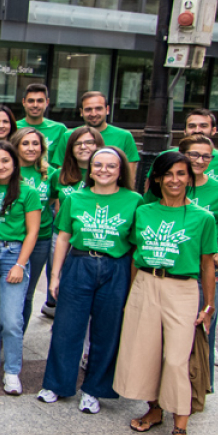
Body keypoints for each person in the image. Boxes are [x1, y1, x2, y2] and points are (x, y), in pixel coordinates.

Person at [114, 152, 218, 435]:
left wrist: (209, 306)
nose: (175, 180)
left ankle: (180, 430)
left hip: (182, 289)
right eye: (168, 174)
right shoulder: (144, 211)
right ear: (157, 178)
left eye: (181, 174)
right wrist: (131, 296)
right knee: (146, 354)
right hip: (146, 284)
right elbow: (135, 256)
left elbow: (208, 264)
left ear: (190, 178)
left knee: (176, 360)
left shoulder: (203, 217)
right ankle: (155, 409)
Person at [39, 146, 140, 414]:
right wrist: (54, 276)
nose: (103, 170)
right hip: (79, 263)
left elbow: (136, 245)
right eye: (98, 165)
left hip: (115, 267)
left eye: (111, 166)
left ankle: (94, 390)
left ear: (121, 171)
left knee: (107, 331)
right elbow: (62, 237)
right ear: (90, 169)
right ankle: (57, 384)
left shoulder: (134, 200)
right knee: (66, 327)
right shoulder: (75, 198)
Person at [147, 135, 218, 387]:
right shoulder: (169, 185)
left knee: (203, 324)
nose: (200, 161)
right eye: (194, 155)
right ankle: (165, 383)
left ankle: (201, 383)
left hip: (208, 264)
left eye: (206, 156)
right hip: (174, 263)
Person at [0, 140, 41, 395]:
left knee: (11, 319)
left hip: (13, 253)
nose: (0, 166)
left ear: (15, 163)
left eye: (5, 161)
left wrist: (20, 264)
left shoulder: (28, 192)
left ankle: (12, 371)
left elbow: (33, 231)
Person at [42, 126, 103, 319]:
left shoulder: (105, 174)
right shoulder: (59, 175)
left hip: (89, 240)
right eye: (78, 143)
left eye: (89, 142)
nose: (83, 147)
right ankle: (62, 318)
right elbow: (50, 199)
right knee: (60, 277)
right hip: (60, 235)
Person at [11, 127, 57, 329]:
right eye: (26, 143)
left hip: (41, 239)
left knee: (27, 293)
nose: (31, 148)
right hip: (13, 238)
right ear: (16, 146)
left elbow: (55, 201)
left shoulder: (51, 173)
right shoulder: (8, 168)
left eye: (35, 143)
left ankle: (17, 340)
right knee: (9, 288)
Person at [55, 92, 140, 182]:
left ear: (107, 109)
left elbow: (129, 177)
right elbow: (62, 172)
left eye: (98, 108)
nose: (93, 113)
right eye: (88, 110)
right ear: (81, 112)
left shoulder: (124, 136)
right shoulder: (68, 136)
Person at [175, 108, 218, 205]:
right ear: (184, 130)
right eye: (192, 126)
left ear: (213, 130)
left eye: (203, 126)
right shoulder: (167, 156)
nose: (197, 130)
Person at [16, 84, 67, 158]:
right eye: (31, 101)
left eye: (40, 101)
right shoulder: (14, 127)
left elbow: (63, 162)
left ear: (47, 102)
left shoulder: (59, 130)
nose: (35, 105)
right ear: (23, 102)